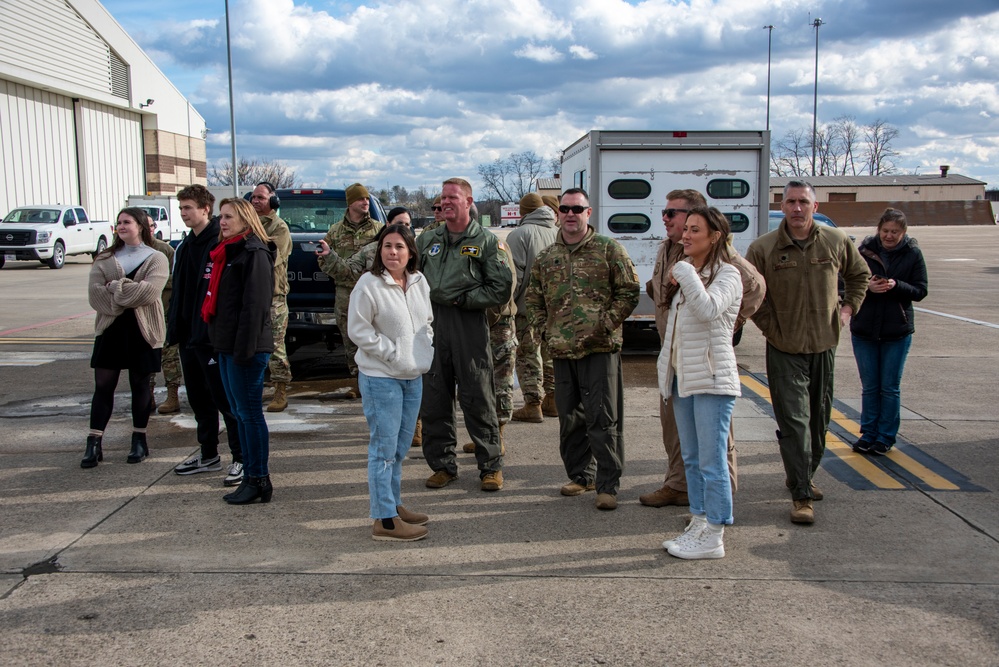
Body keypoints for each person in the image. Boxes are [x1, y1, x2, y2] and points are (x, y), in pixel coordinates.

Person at [746, 180, 870, 525]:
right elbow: (749, 292)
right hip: (785, 348)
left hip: (824, 345)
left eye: (803, 202)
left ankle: (803, 474)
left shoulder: (835, 240)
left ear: (814, 206)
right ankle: (801, 494)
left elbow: (859, 275)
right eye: (791, 202)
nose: (797, 208)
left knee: (818, 420)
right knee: (795, 422)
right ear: (782, 207)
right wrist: (771, 327)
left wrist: (847, 310)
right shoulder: (764, 247)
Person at [641, 190, 764, 508]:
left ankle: (719, 504)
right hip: (675, 360)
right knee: (678, 435)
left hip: (706, 364)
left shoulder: (724, 263)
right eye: (665, 213)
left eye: (673, 214)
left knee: (714, 446)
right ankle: (680, 486)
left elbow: (754, 286)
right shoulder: (667, 249)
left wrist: (730, 324)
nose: (666, 219)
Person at [525, 188, 640, 510]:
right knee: (570, 420)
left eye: (578, 209)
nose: (571, 214)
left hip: (599, 350)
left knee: (603, 419)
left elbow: (629, 291)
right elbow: (532, 297)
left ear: (589, 213)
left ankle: (608, 485)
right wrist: (543, 330)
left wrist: (606, 323)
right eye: (565, 209)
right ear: (558, 213)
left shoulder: (608, 249)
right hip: (561, 351)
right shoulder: (548, 257)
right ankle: (581, 476)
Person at [416, 177, 513, 491]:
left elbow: (501, 287)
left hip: (467, 323)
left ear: (469, 202)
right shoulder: (428, 240)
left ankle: (490, 466)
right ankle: (443, 465)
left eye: (453, 197)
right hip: (431, 324)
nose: (445, 202)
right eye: (443, 197)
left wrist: (465, 299)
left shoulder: (486, 241)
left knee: (477, 396)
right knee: (434, 398)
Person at [657, 207, 743, 559]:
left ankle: (716, 533)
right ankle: (699, 519)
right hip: (683, 379)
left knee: (712, 460)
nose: (686, 235)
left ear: (715, 236)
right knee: (691, 458)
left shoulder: (728, 274)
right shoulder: (693, 274)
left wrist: (686, 273)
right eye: (686, 229)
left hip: (712, 380)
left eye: (695, 230)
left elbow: (709, 311)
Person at [347, 224, 434, 541]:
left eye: (399, 246)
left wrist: (425, 350)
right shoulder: (368, 285)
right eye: (387, 246)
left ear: (411, 251)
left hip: (413, 377)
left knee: (398, 449)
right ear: (379, 250)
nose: (392, 252)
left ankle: (394, 505)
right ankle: (384, 520)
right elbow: (358, 330)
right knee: (383, 450)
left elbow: (426, 322)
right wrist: (393, 353)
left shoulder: (419, 282)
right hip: (381, 377)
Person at [167, 185, 245, 485]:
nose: (184, 213)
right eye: (181, 208)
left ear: (205, 209)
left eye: (188, 208)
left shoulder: (219, 243)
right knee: (199, 399)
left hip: (212, 338)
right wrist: (175, 328)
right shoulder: (186, 246)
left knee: (225, 400)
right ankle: (208, 453)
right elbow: (179, 293)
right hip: (189, 336)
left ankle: (239, 457)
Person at [82, 208, 168, 468]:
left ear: (140, 226)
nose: (121, 226)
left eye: (126, 222)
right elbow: (95, 296)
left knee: (140, 386)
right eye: (118, 222)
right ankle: (94, 443)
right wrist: (126, 294)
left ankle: (139, 441)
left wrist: (115, 288)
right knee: (103, 386)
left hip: (144, 331)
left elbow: (150, 293)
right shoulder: (105, 258)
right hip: (111, 329)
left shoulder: (156, 257)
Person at [205, 198, 277, 505]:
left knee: (249, 415)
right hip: (226, 346)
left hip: (244, 350)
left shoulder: (254, 253)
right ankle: (251, 476)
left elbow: (255, 307)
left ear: (246, 220)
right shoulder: (227, 252)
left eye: (228, 217)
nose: (222, 222)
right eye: (220, 216)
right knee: (239, 413)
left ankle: (258, 478)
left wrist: (243, 352)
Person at [850, 208, 928, 456]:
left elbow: (920, 290)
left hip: (897, 331)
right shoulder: (863, 252)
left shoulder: (913, 254)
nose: (889, 236)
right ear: (878, 230)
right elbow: (845, 283)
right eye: (885, 231)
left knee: (890, 387)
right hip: (865, 329)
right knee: (870, 386)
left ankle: (885, 436)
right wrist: (868, 287)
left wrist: (896, 286)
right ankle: (868, 433)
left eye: (895, 232)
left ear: (903, 232)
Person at [316, 183, 384, 398]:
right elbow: (322, 259)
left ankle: (378, 379)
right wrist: (343, 273)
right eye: (360, 199)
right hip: (346, 293)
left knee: (376, 334)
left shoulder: (378, 229)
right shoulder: (335, 231)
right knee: (350, 338)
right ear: (350, 203)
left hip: (373, 293)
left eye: (366, 199)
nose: (365, 202)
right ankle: (358, 380)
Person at [508, 192, 557, 423]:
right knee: (550, 354)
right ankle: (553, 399)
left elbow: (513, 276)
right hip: (556, 308)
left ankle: (532, 404)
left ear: (522, 211)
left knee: (528, 355)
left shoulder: (519, 234)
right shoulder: (559, 233)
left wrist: (507, 305)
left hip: (527, 307)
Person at [250, 182, 293, 412]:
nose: (256, 201)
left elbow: (269, 258)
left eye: (261, 198)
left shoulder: (279, 228)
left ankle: (280, 390)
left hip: (273, 296)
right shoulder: (246, 224)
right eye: (254, 198)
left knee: (276, 345)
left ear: (273, 201)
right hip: (249, 296)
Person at [148, 221, 184, 414]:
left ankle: (172, 394)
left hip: (164, 309)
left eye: (151, 225)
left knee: (169, 356)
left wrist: (152, 282)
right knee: (145, 358)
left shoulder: (164, 250)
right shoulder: (129, 249)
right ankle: (148, 395)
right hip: (142, 314)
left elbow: (176, 278)